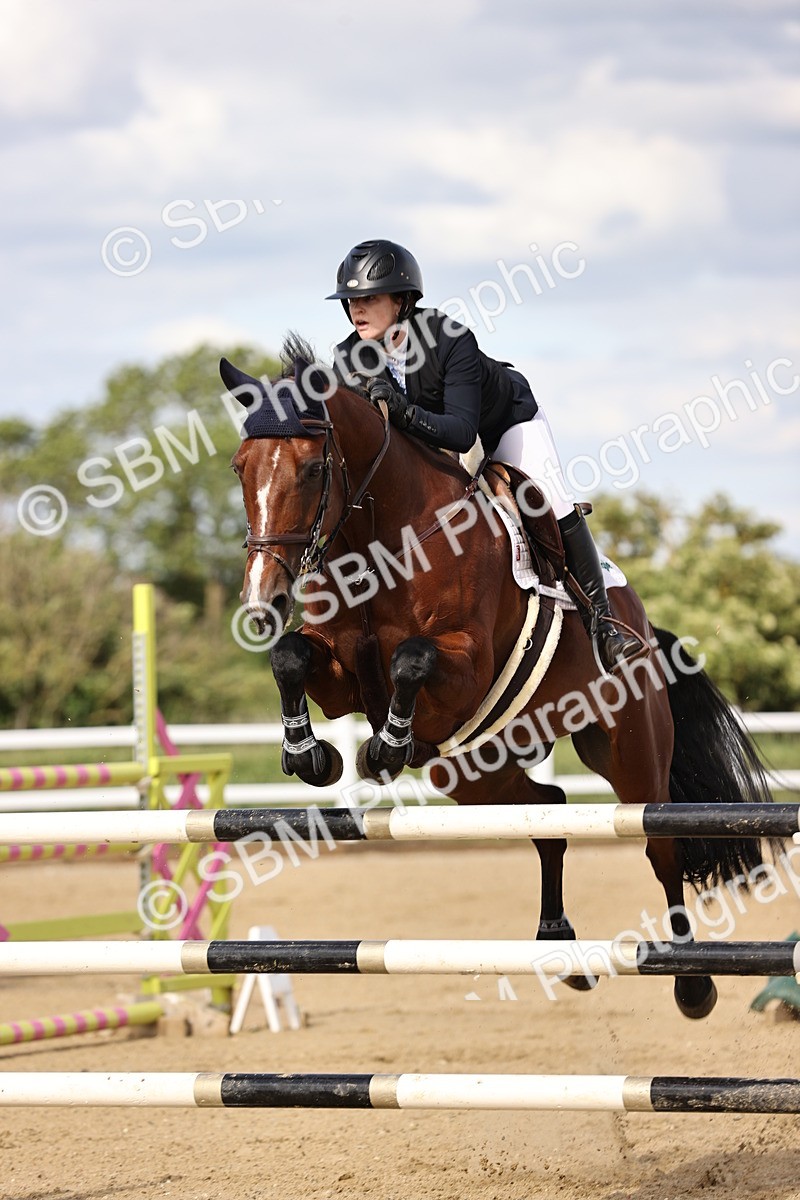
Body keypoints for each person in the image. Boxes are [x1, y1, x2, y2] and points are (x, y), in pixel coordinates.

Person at [327, 238, 644, 674]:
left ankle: (603, 623)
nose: (356, 309)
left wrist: (401, 411)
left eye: (369, 298)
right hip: (429, 442)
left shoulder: (449, 339)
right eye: (351, 301)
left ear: (401, 300)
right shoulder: (348, 357)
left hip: (503, 423)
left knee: (551, 498)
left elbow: (461, 433)